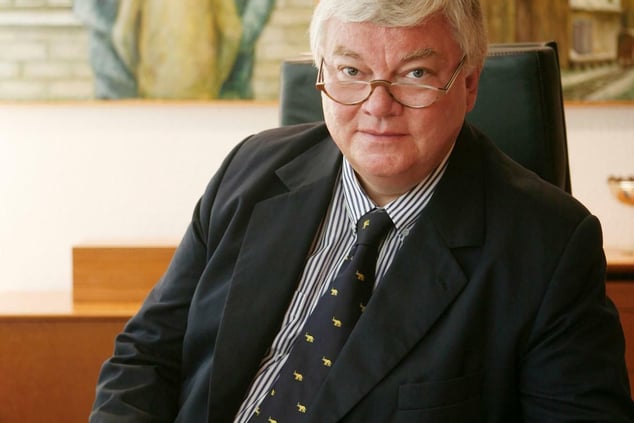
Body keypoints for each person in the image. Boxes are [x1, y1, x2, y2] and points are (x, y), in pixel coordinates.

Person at [89, 0, 634, 421]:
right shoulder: (250, 171)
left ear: (468, 83)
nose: (377, 106)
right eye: (351, 70)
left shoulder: (548, 247)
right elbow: (146, 357)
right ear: (321, 73)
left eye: (414, 74)